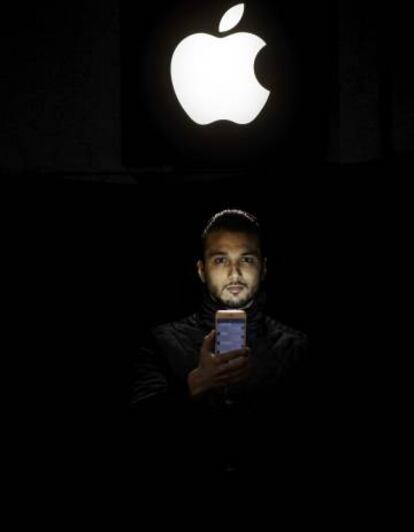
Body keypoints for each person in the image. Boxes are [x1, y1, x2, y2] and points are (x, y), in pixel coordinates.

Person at [129, 209, 314, 481]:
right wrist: (195, 385)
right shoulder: (160, 341)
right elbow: (136, 434)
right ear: (201, 270)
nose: (235, 273)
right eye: (220, 260)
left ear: (263, 267)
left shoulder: (297, 347)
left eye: (247, 259)